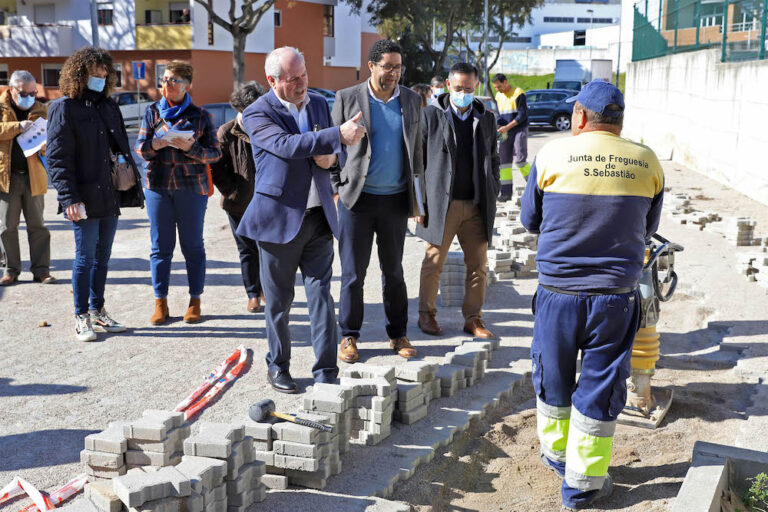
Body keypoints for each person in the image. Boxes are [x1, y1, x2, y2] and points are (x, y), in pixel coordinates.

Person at [520, 80, 664, 510]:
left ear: (579, 116)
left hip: (558, 294)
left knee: (553, 378)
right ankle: (582, 487)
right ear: (620, 121)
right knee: (600, 388)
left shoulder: (551, 155)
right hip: (616, 299)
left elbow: (531, 220)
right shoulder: (647, 161)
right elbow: (647, 229)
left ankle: (559, 458)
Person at [236, 47, 365, 393]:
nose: (301, 83)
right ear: (272, 81)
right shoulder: (256, 113)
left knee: (322, 296)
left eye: (304, 74)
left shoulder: (320, 104)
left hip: (319, 217)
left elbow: (332, 154)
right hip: (278, 221)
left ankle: (326, 371)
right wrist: (336, 136)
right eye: (292, 79)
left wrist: (333, 159)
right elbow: (288, 145)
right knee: (279, 304)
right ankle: (278, 366)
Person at [331, 39, 425, 363]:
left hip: (395, 202)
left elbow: (419, 152)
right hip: (356, 200)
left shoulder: (412, 100)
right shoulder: (347, 98)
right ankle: (348, 336)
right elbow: (332, 146)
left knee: (394, 272)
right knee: (353, 273)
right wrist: (335, 188)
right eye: (387, 67)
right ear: (371, 66)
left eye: (398, 67)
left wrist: (419, 202)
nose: (394, 73)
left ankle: (398, 334)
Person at [47, 46, 144, 342]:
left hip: (109, 195)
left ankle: (98, 310)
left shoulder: (108, 106)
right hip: (83, 197)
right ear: (79, 74)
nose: (101, 78)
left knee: (103, 259)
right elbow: (57, 158)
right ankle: (81, 316)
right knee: (85, 258)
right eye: (95, 73)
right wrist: (69, 198)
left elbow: (118, 147)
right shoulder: (65, 107)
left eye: (105, 73)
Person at [416, 62, 499, 339]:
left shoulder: (486, 118)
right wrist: (418, 203)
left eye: (469, 88)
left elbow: (494, 157)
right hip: (442, 205)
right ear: (448, 86)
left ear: (476, 88)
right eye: (459, 87)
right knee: (434, 262)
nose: (463, 93)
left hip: (476, 205)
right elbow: (418, 162)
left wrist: (493, 187)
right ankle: (426, 315)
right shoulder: (430, 115)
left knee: (478, 265)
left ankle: (473, 319)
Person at [135, 60, 222, 325]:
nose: (167, 85)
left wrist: (190, 148)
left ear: (187, 85)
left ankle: (195, 300)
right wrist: (156, 143)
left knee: (193, 246)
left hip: (191, 188)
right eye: (164, 80)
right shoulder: (152, 112)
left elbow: (215, 153)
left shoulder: (201, 115)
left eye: (173, 80)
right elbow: (140, 148)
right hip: (158, 186)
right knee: (160, 247)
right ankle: (160, 302)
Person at [210, 81, 267, 313]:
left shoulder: (267, 126)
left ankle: (266, 289)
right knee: (247, 250)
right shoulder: (226, 131)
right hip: (238, 203)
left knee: (267, 248)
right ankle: (253, 294)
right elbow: (216, 168)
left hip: (265, 201)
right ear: (240, 108)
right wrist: (231, 191)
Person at [0, 70, 54, 286]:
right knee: (7, 227)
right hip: (7, 177)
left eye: (33, 92)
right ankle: (10, 270)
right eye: (24, 92)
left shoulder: (41, 109)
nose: (29, 97)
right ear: (12, 90)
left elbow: (52, 138)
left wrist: (45, 147)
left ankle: (41, 270)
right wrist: (17, 127)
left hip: (33, 177)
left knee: (38, 226)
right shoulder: (1, 107)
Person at [492, 73, 529, 201]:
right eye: (495, 87)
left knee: (520, 159)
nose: (497, 89)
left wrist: (507, 127)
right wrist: (498, 125)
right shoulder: (498, 96)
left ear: (505, 82)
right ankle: (506, 193)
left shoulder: (518, 93)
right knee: (504, 162)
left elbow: (522, 115)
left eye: (499, 86)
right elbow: (500, 115)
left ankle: (534, 186)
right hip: (505, 132)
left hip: (519, 130)